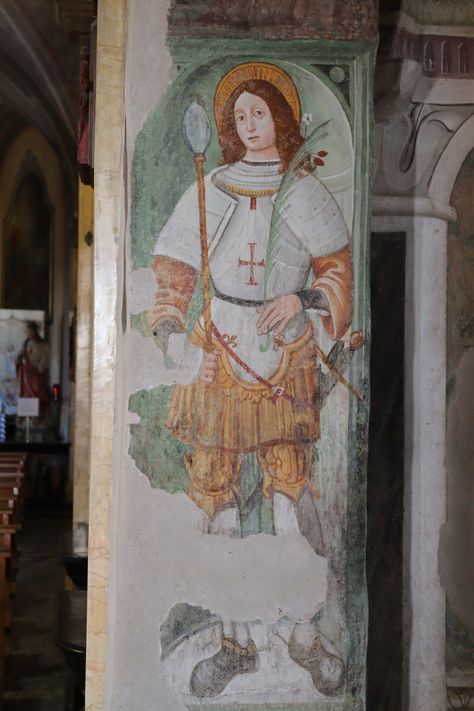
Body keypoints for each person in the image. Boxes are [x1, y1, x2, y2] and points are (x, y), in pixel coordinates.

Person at [148, 63, 352, 698]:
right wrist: (176, 340)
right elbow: (173, 276)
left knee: (288, 496)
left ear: (280, 118)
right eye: (238, 117)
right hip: (220, 349)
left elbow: (337, 271)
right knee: (219, 499)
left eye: (259, 113)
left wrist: (302, 299)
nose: (248, 124)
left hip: (282, 351)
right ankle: (235, 643)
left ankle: (303, 636)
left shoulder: (302, 190)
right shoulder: (209, 188)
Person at [16, 321, 49, 414]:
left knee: (36, 392)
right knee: (25, 393)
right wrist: (19, 357)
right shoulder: (26, 343)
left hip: (35, 372)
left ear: (35, 331)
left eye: (30, 331)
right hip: (25, 372)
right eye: (27, 332)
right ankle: (26, 414)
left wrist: (40, 368)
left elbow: (45, 358)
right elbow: (19, 356)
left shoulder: (42, 344)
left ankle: (36, 414)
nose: (28, 334)